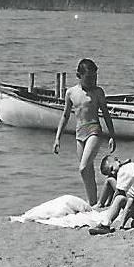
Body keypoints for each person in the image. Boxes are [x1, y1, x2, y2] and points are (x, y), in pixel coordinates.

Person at [54, 58, 117, 205]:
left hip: (94, 130)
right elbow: (65, 116)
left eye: (95, 77)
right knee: (88, 170)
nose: (92, 81)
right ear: (79, 75)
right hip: (79, 133)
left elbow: (106, 114)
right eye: (89, 78)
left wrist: (112, 136)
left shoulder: (98, 92)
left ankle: (95, 201)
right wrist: (57, 138)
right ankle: (93, 203)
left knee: (82, 168)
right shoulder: (71, 93)